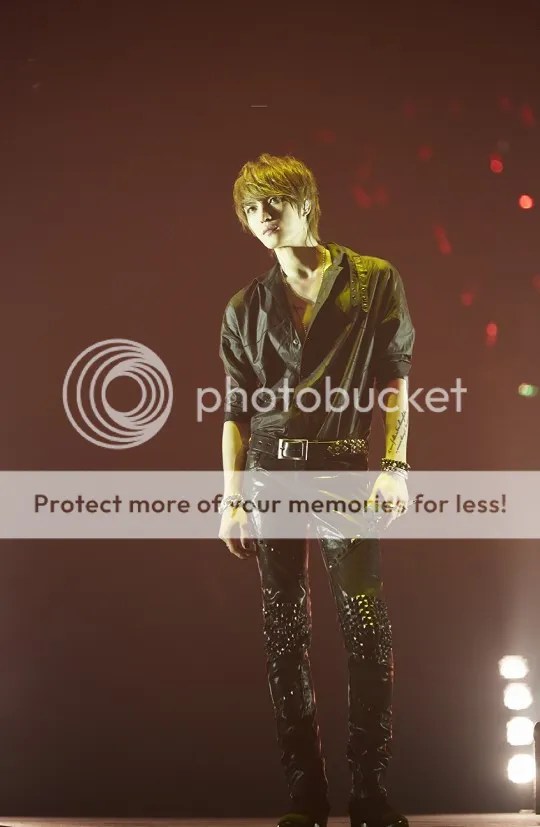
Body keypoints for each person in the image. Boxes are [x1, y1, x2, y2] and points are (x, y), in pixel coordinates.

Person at [218, 153, 414, 827]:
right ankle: (305, 794)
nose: (262, 216)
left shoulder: (373, 280)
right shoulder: (245, 307)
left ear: (305, 201)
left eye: (272, 202)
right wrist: (232, 499)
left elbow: (394, 380)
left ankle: (370, 791)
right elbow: (235, 412)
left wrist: (395, 465)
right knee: (284, 633)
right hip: (269, 471)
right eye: (250, 209)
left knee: (366, 628)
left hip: (342, 467)